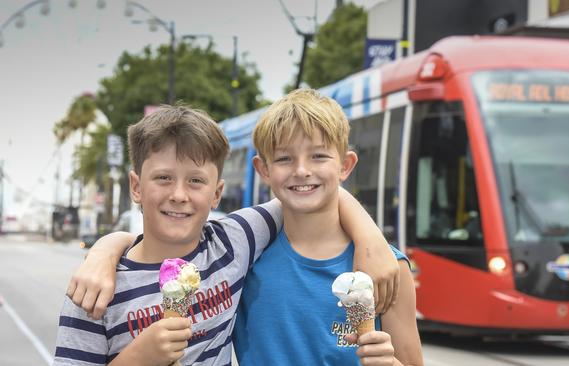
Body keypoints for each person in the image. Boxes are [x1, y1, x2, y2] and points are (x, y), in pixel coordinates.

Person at [54, 105, 400, 366]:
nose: (179, 194)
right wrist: (136, 359)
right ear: (135, 186)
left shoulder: (233, 242)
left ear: (217, 194)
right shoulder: (95, 292)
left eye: (196, 181)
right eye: (162, 178)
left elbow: (309, 188)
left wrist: (373, 241)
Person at [234, 89, 423, 365]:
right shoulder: (245, 260)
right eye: (284, 158)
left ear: (345, 165)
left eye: (319, 156)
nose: (301, 170)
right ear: (263, 170)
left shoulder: (389, 268)